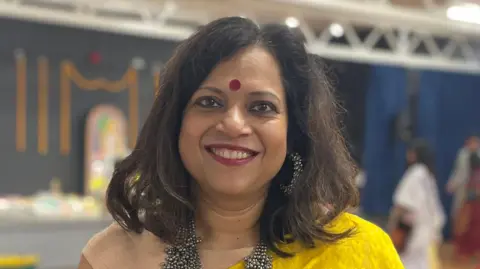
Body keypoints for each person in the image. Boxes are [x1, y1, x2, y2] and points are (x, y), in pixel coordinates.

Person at [78, 17, 403, 269]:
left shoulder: (357, 254)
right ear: (175, 123)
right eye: (209, 102)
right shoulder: (114, 258)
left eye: (261, 107)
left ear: (293, 134)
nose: (233, 124)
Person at [389, 140, 445, 269]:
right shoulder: (428, 175)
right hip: (428, 232)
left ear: (415, 154)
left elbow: (403, 204)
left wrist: (393, 225)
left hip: (413, 232)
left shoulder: (414, 174)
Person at [453, 151, 480, 261]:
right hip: (472, 205)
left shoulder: (476, 174)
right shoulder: (474, 174)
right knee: (471, 228)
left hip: (473, 205)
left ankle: (469, 252)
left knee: (470, 228)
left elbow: (475, 192)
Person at [447, 136, 480, 221]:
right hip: (463, 189)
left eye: (475, 142)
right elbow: (458, 171)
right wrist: (452, 184)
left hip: (477, 189)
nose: (473, 145)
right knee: (460, 213)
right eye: (471, 142)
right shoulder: (463, 154)